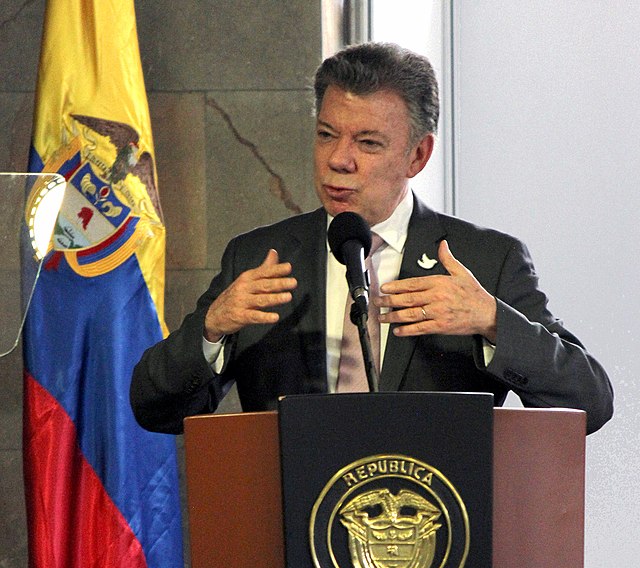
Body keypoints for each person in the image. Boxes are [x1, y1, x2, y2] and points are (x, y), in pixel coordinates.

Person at [130, 42, 613, 435]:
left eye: (367, 143)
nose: (339, 159)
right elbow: (155, 409)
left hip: (434, 530)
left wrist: (490, 321)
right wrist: (211, 330)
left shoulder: (484, 261)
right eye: (326, 135)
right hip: (296, 532)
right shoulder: (259, 259)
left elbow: (590, 401)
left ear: (417, 156)